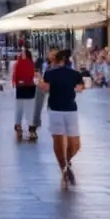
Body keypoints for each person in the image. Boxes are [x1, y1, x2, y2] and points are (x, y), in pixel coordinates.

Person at [40, 49, 84, 188]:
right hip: (69, 109)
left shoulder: (50, 74)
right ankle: (65, 166)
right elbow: (81, 87)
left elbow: (45, 88)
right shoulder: (74, 74)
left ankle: (64, 165)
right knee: (75, 143)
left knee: (59, 142)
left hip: (56, 110)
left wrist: (40, 84)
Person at [30, 47, 60, 142]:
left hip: (58, 86)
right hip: (45, 85)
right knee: (38, 99)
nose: (53, 56)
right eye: (51, 54)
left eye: (55, 54)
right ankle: (33, 126)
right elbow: (42, 78)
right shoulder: (45, 65)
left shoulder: (61, 65)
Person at [11, 48, 37, 141]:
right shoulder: (31, 63)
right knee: (29, 109)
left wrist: (15, 83)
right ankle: (31, 127)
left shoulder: (18, 63)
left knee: (20, 108)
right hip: (29, 88)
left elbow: (14, 75)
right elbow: (32, 75)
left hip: (21, 88)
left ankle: (18, 126)